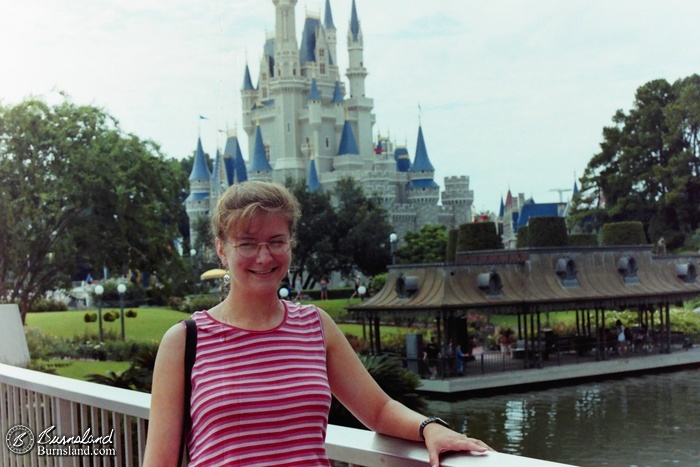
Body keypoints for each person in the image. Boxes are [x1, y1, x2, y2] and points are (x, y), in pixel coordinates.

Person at [144, 181, 491, 466]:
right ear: (222, 249)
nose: (264, 257)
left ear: (291, 244)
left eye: (276, 242)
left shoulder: (314, 326)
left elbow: (379, 409)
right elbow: (160, 461)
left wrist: (431, 428)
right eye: (247, 244)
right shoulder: (186, 341)